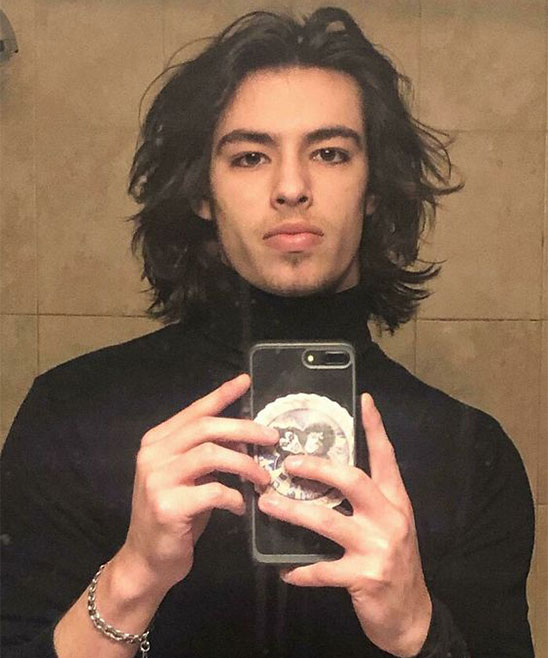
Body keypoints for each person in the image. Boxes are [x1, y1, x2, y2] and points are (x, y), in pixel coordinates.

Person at [1, 7, 535, 658]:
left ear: (372, 187)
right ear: (202, 191)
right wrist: (133, 578)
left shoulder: (470, 455)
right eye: (250, 156)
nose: (291, 187)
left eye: (330, 153)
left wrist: (418, 630)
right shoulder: (72, 416)